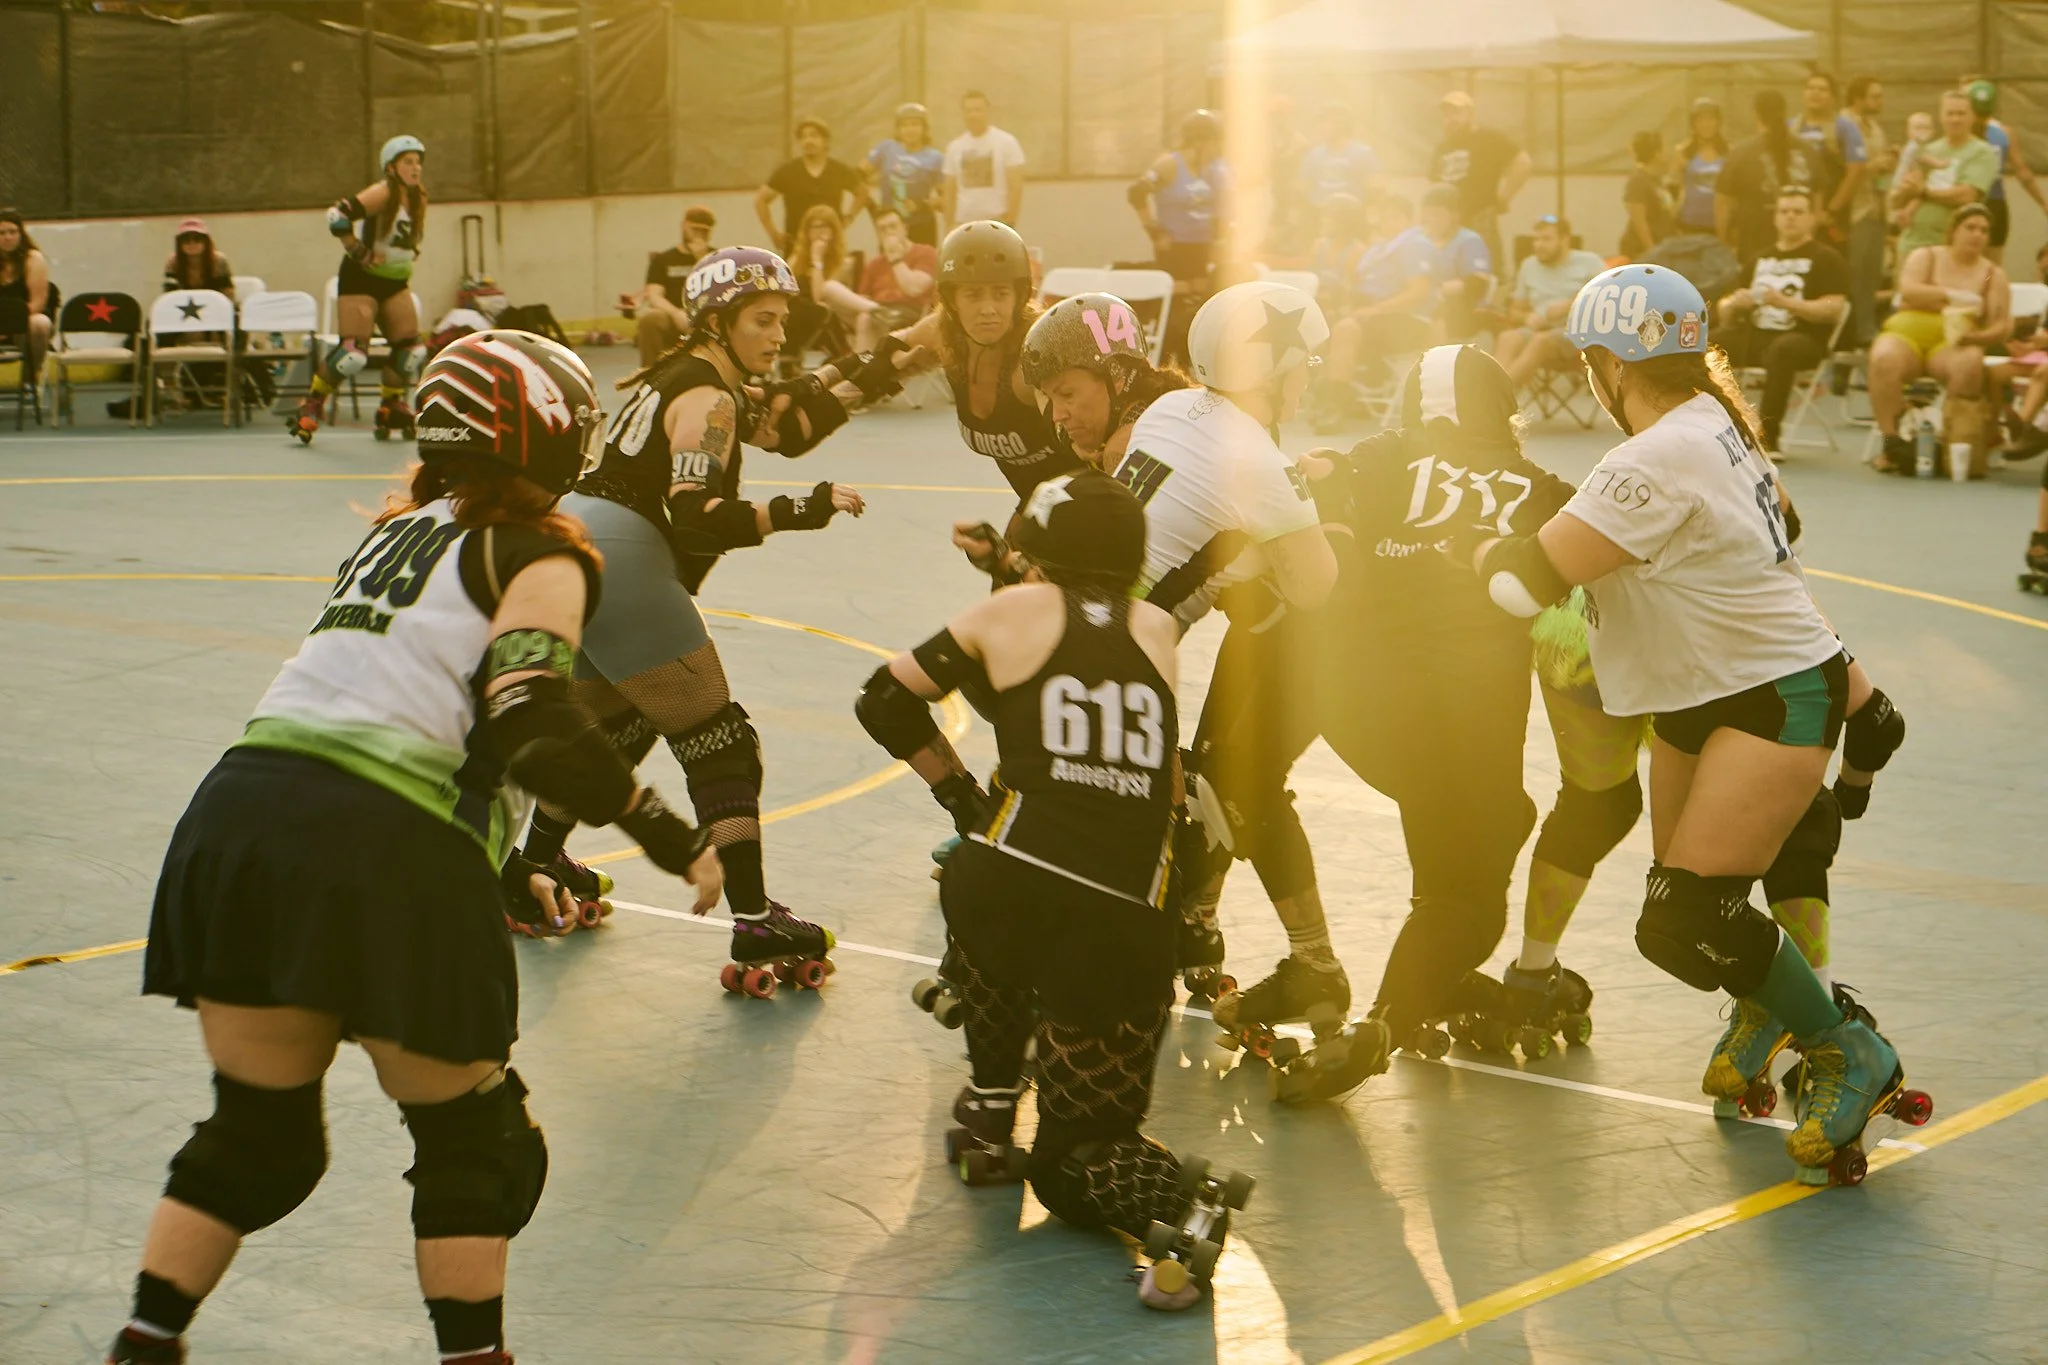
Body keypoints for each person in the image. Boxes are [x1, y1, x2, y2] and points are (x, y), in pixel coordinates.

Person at [104, 330, 724, 1365]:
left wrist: (503, 858)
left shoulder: (391, 539)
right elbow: (527, 716)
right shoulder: (539, 551)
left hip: (240, 816)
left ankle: (144, 1344)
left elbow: (411, 711)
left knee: (257, 1141)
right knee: (476, 1149)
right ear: (553, 436)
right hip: (383, 841)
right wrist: (667, 831)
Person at [1451, 263, 1923, 1183]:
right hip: (1701, 694)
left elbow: (1518, 584)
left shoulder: (1651, 456)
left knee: (1683, 916)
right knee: (1689, 916)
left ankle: (1846, 1045)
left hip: (1773, 693)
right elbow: (1786, 521)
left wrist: (1460, 547)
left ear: (1603, 364)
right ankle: (1769, 999)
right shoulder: (1716, 422)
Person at [854, 470, 1238, 1311]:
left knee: (979, 870)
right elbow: (1163, 784)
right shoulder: (1159, 627)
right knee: (1081, 1151)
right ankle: (1184, 1199)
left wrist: (962, 794)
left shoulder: (1008, 609)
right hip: (1132, 918)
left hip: (1013, 886)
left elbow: (884, 699)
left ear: (1037, 550)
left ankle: (993, 1098)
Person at [518, 247, 906, 996]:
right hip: (624, 554)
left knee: (615, 728)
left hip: (575, 542)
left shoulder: (687, 379)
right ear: (719, 323)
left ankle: (533, 864)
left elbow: (788, 416)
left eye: (783, 320)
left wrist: (886, 357)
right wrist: (804, 508)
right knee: (720, 739)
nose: (777, 334)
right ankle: (756, 915)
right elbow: (698, 517)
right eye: (763, 320)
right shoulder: (709, 397)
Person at [1108, 282, 1389, 1103]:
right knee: (1229, 786)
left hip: (1067, 623)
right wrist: (1309, 517)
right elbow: (1316, 589)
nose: (1308, 380)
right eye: (1301, 365)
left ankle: (1220, 939)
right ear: (1278, 370)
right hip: (1128, 656)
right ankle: (1299, 960)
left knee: (1211, 785)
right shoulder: (1260, 464)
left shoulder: (1169, 411)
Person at [1288, 345, 1578, 1082]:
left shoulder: (1377, 455)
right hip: (1467, 724)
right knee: (1471, 901)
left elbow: (1305, 483)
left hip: (1356, 708)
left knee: (1490, 823)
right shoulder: (1542, 490)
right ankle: (1385, 1022)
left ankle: (1428, 979)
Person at [893, 221, 1084, 547]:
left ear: (1020, 295)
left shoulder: (1036, 359)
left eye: (1000, 293)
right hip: (1040, 501)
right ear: (952, 301)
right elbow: (876, 359)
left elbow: (1104, 451)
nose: (988, 309)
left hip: (1087, 505)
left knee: (1016, 582)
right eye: (973, 294)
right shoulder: (943, 334)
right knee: (1007, 581)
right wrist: (810, 388)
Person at [291, 134, 430, 445]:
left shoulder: (419, 197)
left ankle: (390, 405)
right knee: (352, 354)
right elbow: (337, 216)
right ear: (391, 167)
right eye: (408, 161)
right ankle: (312, 402)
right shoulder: (382, 193)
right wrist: (357, 250)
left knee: (411, 351)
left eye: (418, 162)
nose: (415, 167)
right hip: (361, 279)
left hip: (394, 281)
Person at [1313, 187, 1491, 428]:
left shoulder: (1414, 245)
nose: (1384, 222)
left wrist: (1373, 311)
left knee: (1346, 328)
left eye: (1392, 217)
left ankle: (1336, 406)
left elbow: (1418, 293)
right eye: (1381, 216)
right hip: (1377, 319)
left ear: (1406, 220)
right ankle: (1328, 396)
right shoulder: (1379, 248)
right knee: (1322, 328)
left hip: (1407, 321)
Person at [1868, 204, 2011, 475]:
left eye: (1984, 230)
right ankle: (1892, 442)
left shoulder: (1993, 274)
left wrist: (1975, 337)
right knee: (1883, 357)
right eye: (1970, 227)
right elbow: (1909, 290)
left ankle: (1952, 441)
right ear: (1953, 231)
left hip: (1954, 342)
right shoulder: (1926, 256)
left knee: (1970, 362)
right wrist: (1953, 296)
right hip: (1907, 334)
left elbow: (2001, 326)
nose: (1977, 234)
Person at [1714, 187, 1849, 454]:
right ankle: (1705, 430)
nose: (1790, 217)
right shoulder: (1759, 258)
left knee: (1783, 349)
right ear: (1775, 218)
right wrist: (1733, 304)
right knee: (1708, 342)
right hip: (1755, 336)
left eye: (1798, 212)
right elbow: (1724, 307)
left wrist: (1786, 302)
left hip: (1804, 339)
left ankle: (1768, 438)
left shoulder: (1826, 258)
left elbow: (1835, 307)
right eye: (1784, 211)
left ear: (1812, 218)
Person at [1495, 213, 1608, 391]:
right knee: (1508, 337)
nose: (1538, 245)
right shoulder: (1529, 265)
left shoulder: (1589, 262)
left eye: (1546, 239)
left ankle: (1496, 396)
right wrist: (1526, 318)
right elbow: (1515, 310)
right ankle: (1494, 393)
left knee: (1541, 341)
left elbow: (1608, 299)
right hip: (1538, 329)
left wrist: (1570, 305)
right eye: (1536, 239)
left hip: (1577, 333)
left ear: (1564, 240)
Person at [1129, 109, 1233, 290]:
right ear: (1199, 142)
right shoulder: (1169, 165)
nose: (1217, 149)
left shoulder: (1213, 168)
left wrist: (1220, 238)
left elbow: (1223, 204)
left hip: (1203, 244)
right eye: (1214, 143)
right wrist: (1154, 231)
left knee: (1201, 294)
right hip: (1174, 245)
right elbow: (1136, 193)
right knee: (1180, 293)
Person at [1889, 90, 1998, 259]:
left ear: (1972, 117)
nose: (1955, 119)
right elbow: (1897, 199)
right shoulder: (1927, 150)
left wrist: (1924, 192)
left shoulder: (1982, 152)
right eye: (1950, 113)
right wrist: (1903, 193)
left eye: (1961, 114)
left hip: (1950, 249)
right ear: (1941, 117)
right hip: (1912, 245)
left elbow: (1966, 195)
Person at [1429, 90, 1529, 271]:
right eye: (1446, 114)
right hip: (1448, 224)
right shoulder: (1442, 148)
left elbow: (1522, 163)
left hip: (1479, 220)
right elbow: (1433, 187)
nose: (1451, 119)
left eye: (1457, 113)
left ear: (1471, 114)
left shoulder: (1489, 139)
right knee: (1449, 272)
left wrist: (1505, 197)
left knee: (1486, 271)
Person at [1716, 92, 1817, 264]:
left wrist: (1722, 241)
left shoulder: (1741, 153)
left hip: (1753, 241)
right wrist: (1810, 235)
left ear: (1756, 114)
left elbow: (1722, 202)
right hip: (1799, 241)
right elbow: (1817, 198)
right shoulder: (1807, 150)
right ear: (1785, 112)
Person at [1962, 78, 2048, 265]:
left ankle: (1987, 288)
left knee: (1991, 264)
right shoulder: (1958, 131)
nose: (1979, 118)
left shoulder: (2002, 133)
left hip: (1994, 202)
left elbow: (2021, 170)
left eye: (1984, 113)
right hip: (1963, 200)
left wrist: (2043, 202)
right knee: (1964, 258)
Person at [754, 117, 865, 256]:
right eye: (804, 137)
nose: (808, 141)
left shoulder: (839, 170)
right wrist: (773, 234)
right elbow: (760, 200)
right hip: (797, 246)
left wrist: (849, 218)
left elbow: (862, 192)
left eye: (814, 135)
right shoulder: (788, 171)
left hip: (831, 246)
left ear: (825, 141)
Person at [1841, 77, 1895, 345]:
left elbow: (1876, 168)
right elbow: (1844, 166)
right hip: (1853, 211)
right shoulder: (1843, 124)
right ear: (1858, 97)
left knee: (1871, 276)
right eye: (1875, 96)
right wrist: (1875, 164)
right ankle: (1852, 332)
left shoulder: (1875, 127)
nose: (1880, 102)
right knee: (1854, 273)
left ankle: (1866, 328)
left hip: (1876, 209)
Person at [629, 206, 715, 368]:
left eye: (704, 231)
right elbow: (654, 295)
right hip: (673, 316)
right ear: (683, 226)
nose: (699, 235)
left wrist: (701, 259)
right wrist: (676, 314)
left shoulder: (717, 258)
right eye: (694, 229)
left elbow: (720, 291)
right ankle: (651, 374)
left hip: (707, 315)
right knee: (650, 319)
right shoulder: (663, 259)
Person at [1789, 72, 1867, 248]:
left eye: (1822, 89)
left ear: (1833, 97)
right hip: (1794, 215)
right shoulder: (1790, 127)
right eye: (1810, 88)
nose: (1815, 93)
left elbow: (1856, 171)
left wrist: (1831, 210)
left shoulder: (1845, 127)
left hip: (1830, 218)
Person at [786, 204, 870, 354]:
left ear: (833, 231)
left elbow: (820, 296)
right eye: (814, 228)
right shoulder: (796, 260)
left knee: (818, 311)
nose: (819, 233)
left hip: (829, 318)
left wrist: (817, 260)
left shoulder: (845, 263)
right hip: (799, 319)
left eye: (824, 227)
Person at [855, 206, 940, 347]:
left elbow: (914, 289)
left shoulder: (926, 253)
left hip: (910, 313)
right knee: (830, 288)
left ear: (905, 229)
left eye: (893, 226)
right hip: (877, 311)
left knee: (865, 320)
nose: (888, 232)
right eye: (882, 229)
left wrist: (895, 258)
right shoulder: (874, 264)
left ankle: (862, 366)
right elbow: (861, 298)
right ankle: (865, 366)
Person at [866, 102, 947, 247]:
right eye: (904, 125)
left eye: (915, 124)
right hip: (890, 225)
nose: (909, 130)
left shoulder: (935, 157)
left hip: (922, 225)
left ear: (924, 128)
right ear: (898, 129)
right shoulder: (886, 148)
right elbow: (857, 176)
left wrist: (925, 204)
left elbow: (945, 199)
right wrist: (871, 206)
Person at [943, 91, 1026, 228]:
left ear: (988, 111)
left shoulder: (1007, 142)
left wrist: (1010, 221)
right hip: (964, 223)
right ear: (963, 114)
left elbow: (1016, 186)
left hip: (997, 222)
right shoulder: (954, 147)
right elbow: (950, 191)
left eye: (978, 110)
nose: (973, 115)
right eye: (969, 110)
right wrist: (949, 225)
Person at [1299, 103, 1384, 218]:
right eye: (1320, 122)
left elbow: (1376, 188)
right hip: (1320, 216)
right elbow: (1303, 188)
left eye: (1325, 121)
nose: (1321, 127)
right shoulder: (1314, 155)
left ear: (1341, 124)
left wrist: (1371, 214)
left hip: (1353, 216)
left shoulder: (1363, 153)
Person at [0, 208, 55, 385]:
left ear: (21, 234)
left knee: (40, 323)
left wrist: (8, 327)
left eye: (12, 232)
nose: (7, 237)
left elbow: (37, 303)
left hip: (24, 322)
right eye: (1, 233)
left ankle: (32, 373)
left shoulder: (33, 259)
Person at [1673, 97, 1730, 237]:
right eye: (1701, 120)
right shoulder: (1682, 151)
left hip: (1719, 225)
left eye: (1711, 119)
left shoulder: (1728, 152)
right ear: (1693, 123)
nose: (1707, 124)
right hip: (1689, 223)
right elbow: (1675, 189)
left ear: (1718, 122)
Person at [1306, 192, 1370, 314]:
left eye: (1328, 216)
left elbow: (1349, 294)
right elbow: (1310, 280)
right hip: (1315, 305)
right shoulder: (1319, 245)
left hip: (1339, 310)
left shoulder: (1358, 251)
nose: (1322, 220)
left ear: (1343, 221)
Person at [1621, 131, 1676, 257]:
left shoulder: (1656, 179)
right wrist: (1652, 252)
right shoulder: (1638, 180)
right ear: (1657, 154)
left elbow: (1669, 210)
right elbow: (1639, 221)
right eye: (1664, 149)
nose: (1668, 153)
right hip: (1641, 249)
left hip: (1662, 244)